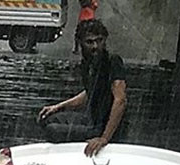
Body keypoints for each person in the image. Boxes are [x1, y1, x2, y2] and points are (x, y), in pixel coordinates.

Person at [39, 19, 127, 157]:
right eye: (89, 42)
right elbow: (89, 93)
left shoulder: (112, 61)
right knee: (47, 117)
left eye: (99, 41)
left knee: (53, 130)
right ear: (80, 43)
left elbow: (120, 100)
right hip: (92, 120)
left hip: (104, 128)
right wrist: (58, 106)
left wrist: (104, 138)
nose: (95, 46)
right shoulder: (87, 64)